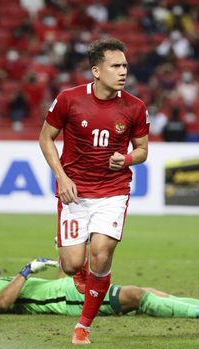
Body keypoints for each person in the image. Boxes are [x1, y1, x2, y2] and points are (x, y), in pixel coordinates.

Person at [39, 38, 149, 344]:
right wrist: (61, 177)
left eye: (125, 65)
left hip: (113, 191)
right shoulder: (69, 99)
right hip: (75, 192)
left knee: (101, 255)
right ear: (96, 71)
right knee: (73, 264)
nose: (123, 71)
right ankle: (74, 263)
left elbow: (142, 150)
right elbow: (45, 138)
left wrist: (126, 159)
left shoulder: (135, 107)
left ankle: (83, 326)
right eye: (115, 66)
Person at [0, 246, 199, 320]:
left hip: (71, 291)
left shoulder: (7, 281)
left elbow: (43, 292)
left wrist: (68, 264)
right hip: (71, 301)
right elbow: (2, 304)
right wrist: (26, 271)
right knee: (139, 296)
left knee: (153, 293)